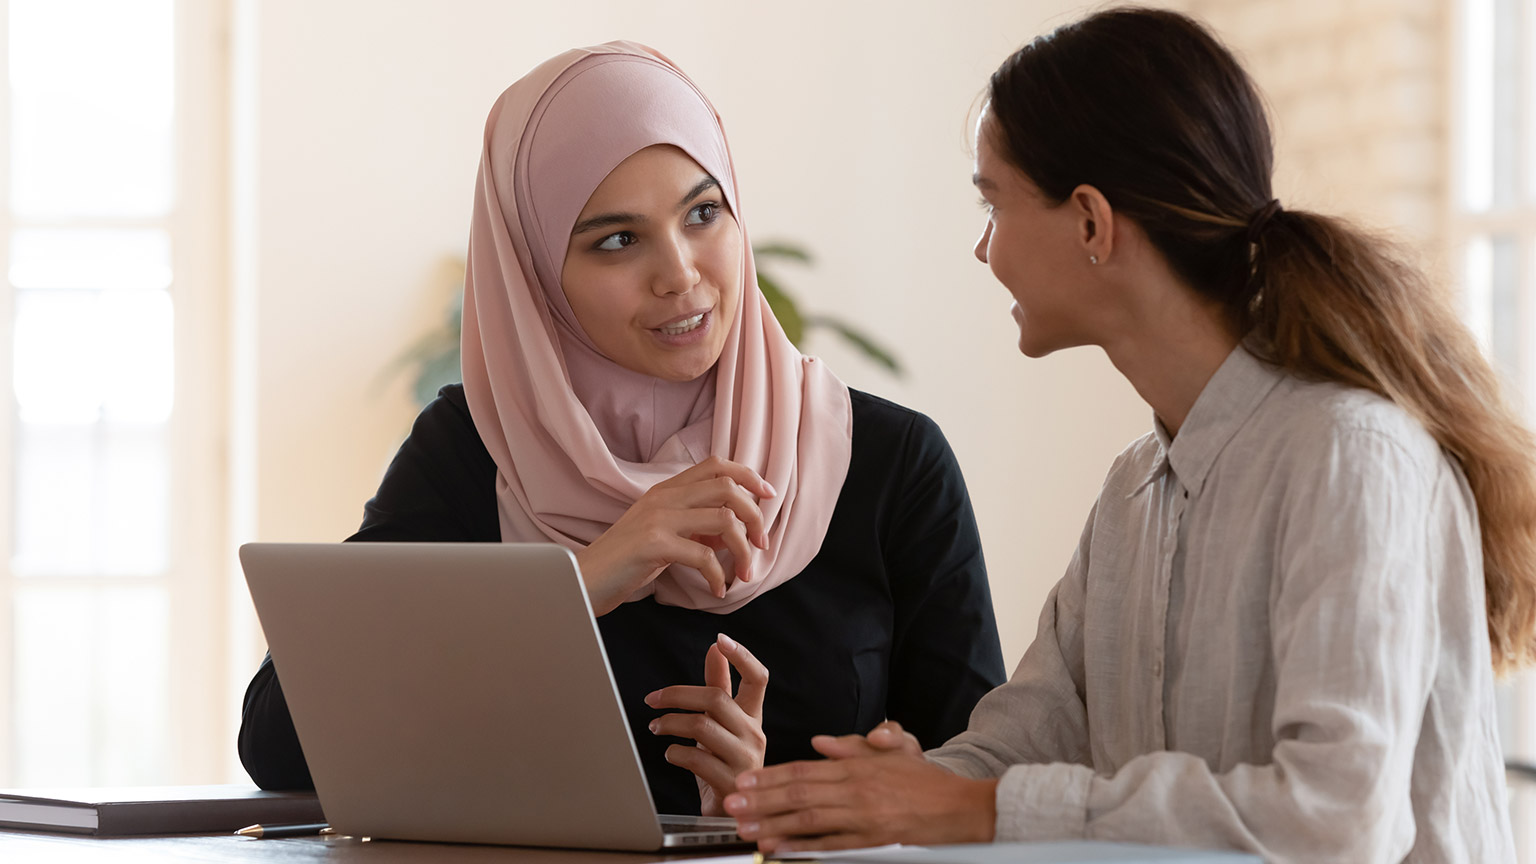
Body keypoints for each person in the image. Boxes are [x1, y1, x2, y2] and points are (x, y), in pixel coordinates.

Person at [723, 8, 1534, 860]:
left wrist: (979, 810)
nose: (982, 248)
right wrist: (894, 787)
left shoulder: (1351, 457)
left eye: (993, 204)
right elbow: (1022, 742)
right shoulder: (1133, 490)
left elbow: (1336, 816)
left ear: (1090, 224)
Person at [237, 42, 1006, 818]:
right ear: (536, 275)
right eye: (617, 240)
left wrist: (769, 805)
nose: (680, 274)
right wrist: (581, 583)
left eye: (704, 213)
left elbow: (975, 785)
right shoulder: (476, 451)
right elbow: (277, 741)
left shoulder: (887, 462)